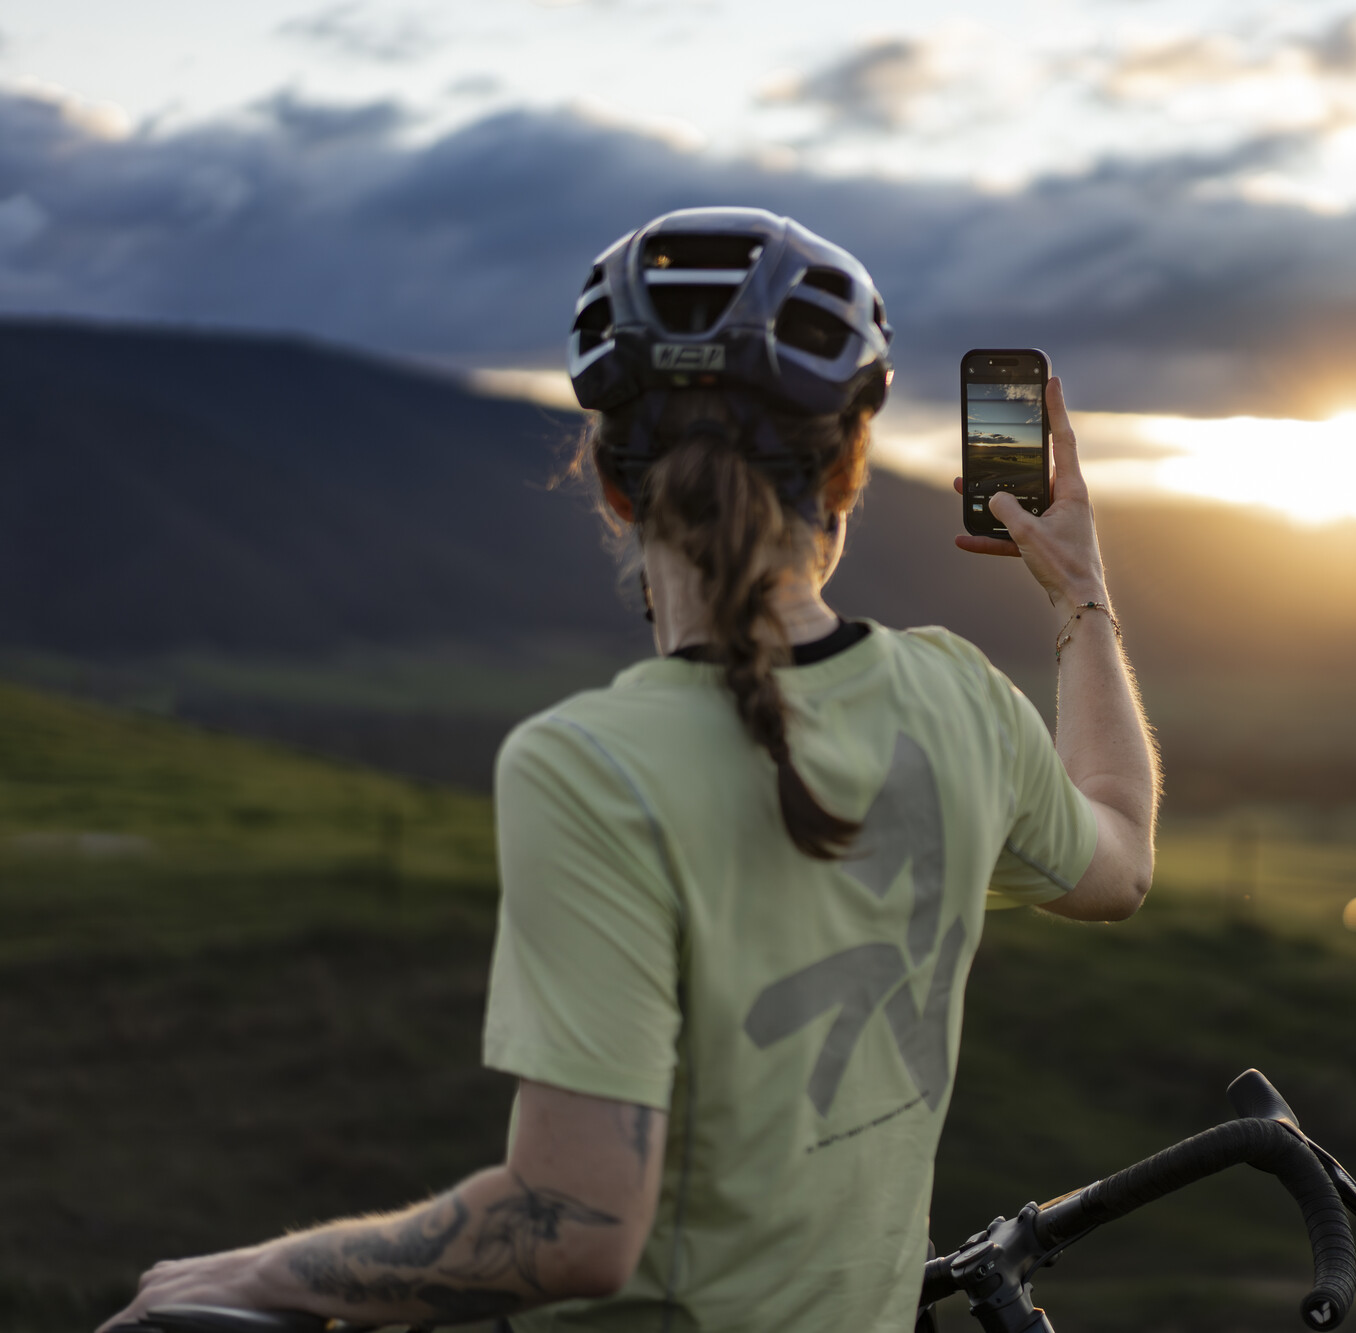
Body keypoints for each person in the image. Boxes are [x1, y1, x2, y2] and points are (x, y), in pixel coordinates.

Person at [100, 207, 1157, 1333]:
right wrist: (1077, 596)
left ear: (610, 483)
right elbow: (1120, 859)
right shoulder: (961, 703)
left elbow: (573, 1225)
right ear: (847, 471)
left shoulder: (585, 767)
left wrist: (261, 1272)